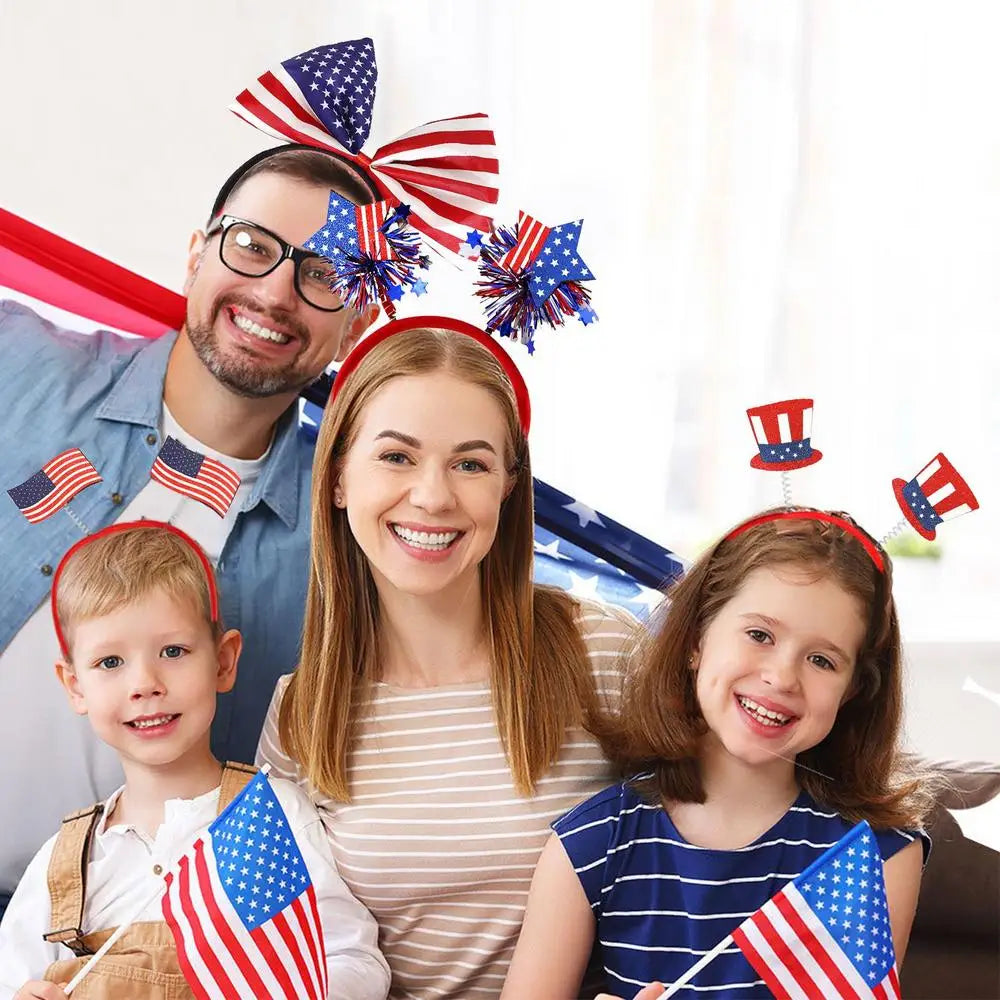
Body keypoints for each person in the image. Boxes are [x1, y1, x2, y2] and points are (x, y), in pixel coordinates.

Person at [0, 145, 381, 919]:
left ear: (356, 324)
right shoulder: (21, 365)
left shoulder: (347, 546)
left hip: (102, 948)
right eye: (251, 244)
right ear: (195, 252)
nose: (276, 291)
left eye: (325, 275)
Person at [257, 317, 639, 999]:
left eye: (470, 463)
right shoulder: (301, 713)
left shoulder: (604, 653)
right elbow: (280, 951)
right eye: (397, 457)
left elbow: (711, 858)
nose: (433, 496)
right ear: (339, 476)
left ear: (507, 487)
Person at [501, 508, 934, 1000]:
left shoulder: (874, 856)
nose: (781, 677)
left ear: (854, 689)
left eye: (822, 660)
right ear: (694, 640)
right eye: (760, 635)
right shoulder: (590, 844)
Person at [0, 521, 390, 1000]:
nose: (145, 683)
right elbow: (11, 980)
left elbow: (350, 960)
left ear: (223, 662)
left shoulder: (258, 823)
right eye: (110, 663)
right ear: (74, 685)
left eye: (173, 651)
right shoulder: (67, 862)